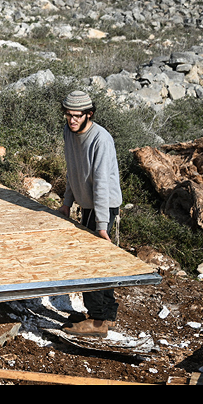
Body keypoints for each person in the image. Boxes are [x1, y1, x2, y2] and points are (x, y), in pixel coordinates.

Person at [59, 91, 123, 339]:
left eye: (77, 116)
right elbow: (72, 169)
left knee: (92, 264)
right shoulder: (69, 132)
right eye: (68, 115)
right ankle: (105, 315)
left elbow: (101, 183)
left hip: (103, 206)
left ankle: (98, 322)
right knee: (97, 264)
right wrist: (67, 202)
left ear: (89, 114)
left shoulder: (101, 139)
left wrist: (101, 225)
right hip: (86, 204)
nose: (72, 120)